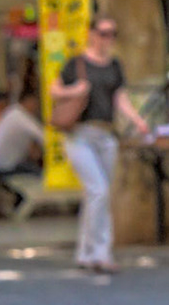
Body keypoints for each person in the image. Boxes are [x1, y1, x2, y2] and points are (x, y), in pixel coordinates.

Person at [57, 17, 151, 273]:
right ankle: (100, 251)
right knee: (98, 190)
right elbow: (55, 90)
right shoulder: (76, 64)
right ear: (91, 34)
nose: (108, 39)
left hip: (106, 134)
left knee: (98, 195)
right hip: (80, 135)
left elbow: (120, 98)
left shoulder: (115, 66)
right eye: (103, 33)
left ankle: (87, 252)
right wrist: (75, 91)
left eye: (112, 34)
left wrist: (137, 120)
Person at [0, 89, 45, 217]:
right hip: (3, 165)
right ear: (28, 101)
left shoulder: (11, 113)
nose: (36, 107)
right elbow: (44, 137)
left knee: (29, 168)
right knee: (40, 175)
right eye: (36, 103)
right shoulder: (21, 117)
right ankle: (22, 204)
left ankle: (18, 200)